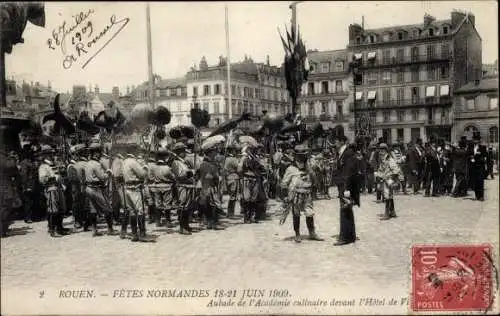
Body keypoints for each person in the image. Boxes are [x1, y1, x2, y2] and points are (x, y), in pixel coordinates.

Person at [279, 144, 324, 243]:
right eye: (300, 155)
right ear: (296, 156)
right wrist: (286, 196)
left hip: (307, 194)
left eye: (304, 154)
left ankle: (312, 233)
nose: (302, 157)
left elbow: (315, 181)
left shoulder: (309, 167)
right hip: (296, 195)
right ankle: (297, 234)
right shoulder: (291, 169)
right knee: (296, 214)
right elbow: (283, 183)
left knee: (310, 213)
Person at [333, 132, 359, 246]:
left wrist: (347, 188)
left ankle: (344, 237)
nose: (335, 143)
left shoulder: (348, 153)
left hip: (345, 186)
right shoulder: (342, 152)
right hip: (342, 185)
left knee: (344, 210)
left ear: (342, 142)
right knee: (347, 209)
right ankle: (350, 235)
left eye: (336, 141)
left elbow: (349, 171)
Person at [84, 144, 115, 236]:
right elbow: (102, 177)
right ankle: (110, 229)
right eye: (99, 152)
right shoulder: (96, 164)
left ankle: (94, 230)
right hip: (96, 188)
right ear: (96, 153)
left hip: (88, 188)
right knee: (108, 209)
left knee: (93, 209)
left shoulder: (88, 163)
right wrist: (108, 173)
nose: (100, 154)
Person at [38, 148, 69, 237]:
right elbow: (42, 180)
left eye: (52, 153)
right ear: (45, 155)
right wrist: (53, 177)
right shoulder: (43, 166)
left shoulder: (54, 164)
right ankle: (52, 230)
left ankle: (60, 228)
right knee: (53, 210)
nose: (52, 155)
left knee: (62, 208)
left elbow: (61, 173)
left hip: (58, 188)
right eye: (49, 153)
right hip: (51, 188)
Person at [122, 150, 148, 241]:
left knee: (132, 211)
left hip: (127, 188)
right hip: (135, 188)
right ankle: (142, 232)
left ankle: (134, 234)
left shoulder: (124, 161)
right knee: (140, 210)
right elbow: (142, 174)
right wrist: (145, 167)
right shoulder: (133, 162)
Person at [171, 142, 197, 233]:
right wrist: (190, 172)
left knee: (188, 206)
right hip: (182, 186)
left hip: (188, 186)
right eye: (182, 151)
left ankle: (186, 225)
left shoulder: (184, 162)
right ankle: (182, 227)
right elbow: (180, 175)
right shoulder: (176, 162)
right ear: (179, 152)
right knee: (183, 206)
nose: (184, 153)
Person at [238, 143, 267, 224]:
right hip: (247, 179)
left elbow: (264, 169)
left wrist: (259, 164)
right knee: (247, 198)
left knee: (254, 199)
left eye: (254, 149)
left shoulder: (257, 158)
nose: (253, 151)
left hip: (256, 179)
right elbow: (239, 170)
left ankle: (252, 216)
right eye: (251, 149)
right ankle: (246, 217)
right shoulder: (244, 158)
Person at [198, 140, 224, 230]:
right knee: (213, 205)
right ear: (209, 153)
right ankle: (212, 223)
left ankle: (211, 222)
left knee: (212, 205)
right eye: (214, 152)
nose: (215, 154)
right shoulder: (205, 164)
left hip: (213, 186)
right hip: (208, 187)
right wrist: (215, 177)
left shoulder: (213, 163)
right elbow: (207, 176)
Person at [375, 143, 403, 221]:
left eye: (382, 150)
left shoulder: (389, 159)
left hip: (389, 179)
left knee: (387, 196)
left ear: (386, 150)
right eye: (380, 150)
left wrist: (392, 179)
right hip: (385, 179)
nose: (381, 152)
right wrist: (378, 176)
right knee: (389, 195)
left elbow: (396, 170)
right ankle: (392, 212)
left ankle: (387, 214)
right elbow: (381, 169)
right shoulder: (383, 159)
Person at [18, 147, 37, 224]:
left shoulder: (29, 162)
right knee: (27, 201)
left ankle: (32, 216)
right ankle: (27, 217)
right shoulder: (24, 163)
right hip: (28, 184)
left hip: (32, 183)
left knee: (31, 201)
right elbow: (24, 175)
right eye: (30, 152)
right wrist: (25, 186)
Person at [223, 144, 240, 219]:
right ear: (232, 151)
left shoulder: (226, 159)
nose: (236, 151)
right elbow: (239, 169)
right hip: (234, 177)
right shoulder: (233, 159)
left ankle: (229, 213)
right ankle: (230, 213)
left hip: (228, 178)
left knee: (231, 196)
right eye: (235, 150)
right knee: (233, 196)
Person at [469, 135, 487, 201]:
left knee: (480, 181)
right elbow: (468, 155)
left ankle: (481, 196)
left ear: (479, 141)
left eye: (477, 140)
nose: (475, 141)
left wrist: (476, 158)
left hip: (480, 167)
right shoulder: (470, 147)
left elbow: (484, 157)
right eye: (474, 140)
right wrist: (470, 158)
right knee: (475, 181)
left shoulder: (483, 148)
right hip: (473, 167)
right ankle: (477, 195)